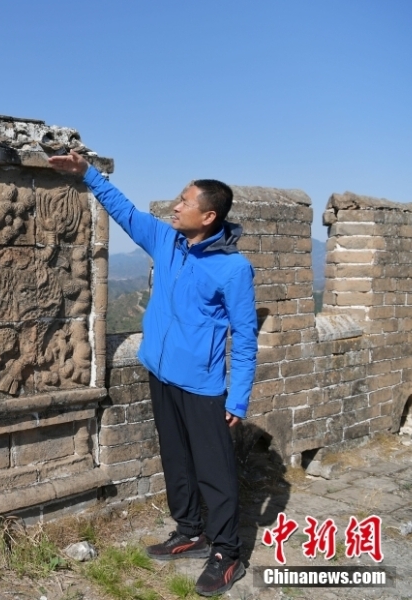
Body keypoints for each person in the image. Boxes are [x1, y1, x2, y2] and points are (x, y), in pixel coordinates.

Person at [49, 150, 257, 597]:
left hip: (202, 386)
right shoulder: (168, 242)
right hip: (161, 374)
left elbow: (245, 336)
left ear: (209, 215)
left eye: (184, 201)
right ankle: (189, 531)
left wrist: (237, 398)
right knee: (176, 460)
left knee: (213, 471)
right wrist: (87, 173)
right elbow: (124, 211)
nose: (174, 207)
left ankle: (227, 553)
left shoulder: (233, 269)